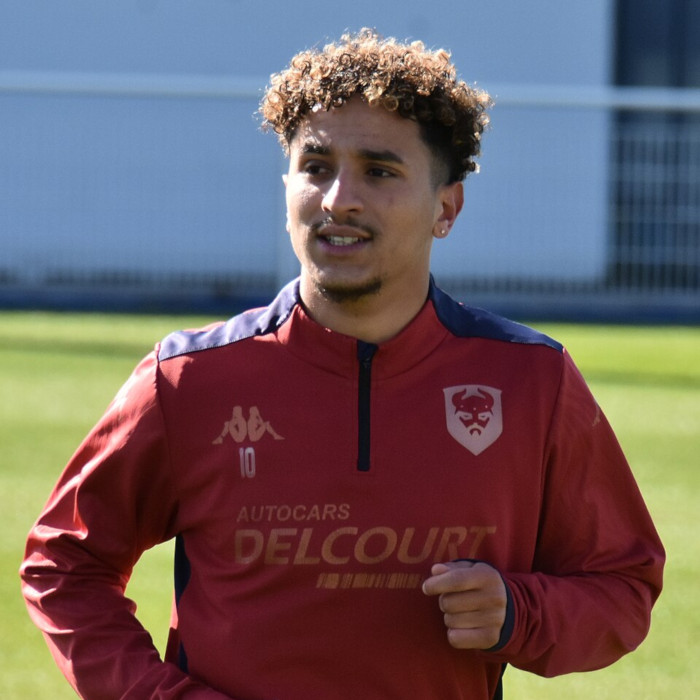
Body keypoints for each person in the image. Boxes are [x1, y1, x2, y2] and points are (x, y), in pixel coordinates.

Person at [21, 29, 664, 700]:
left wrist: (518, 613)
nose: (338, 200)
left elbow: (622, 585)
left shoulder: (531, 381)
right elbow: (63, 563)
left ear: (446, 207)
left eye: (379, 171)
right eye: (316, 166)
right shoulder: (188, 378)